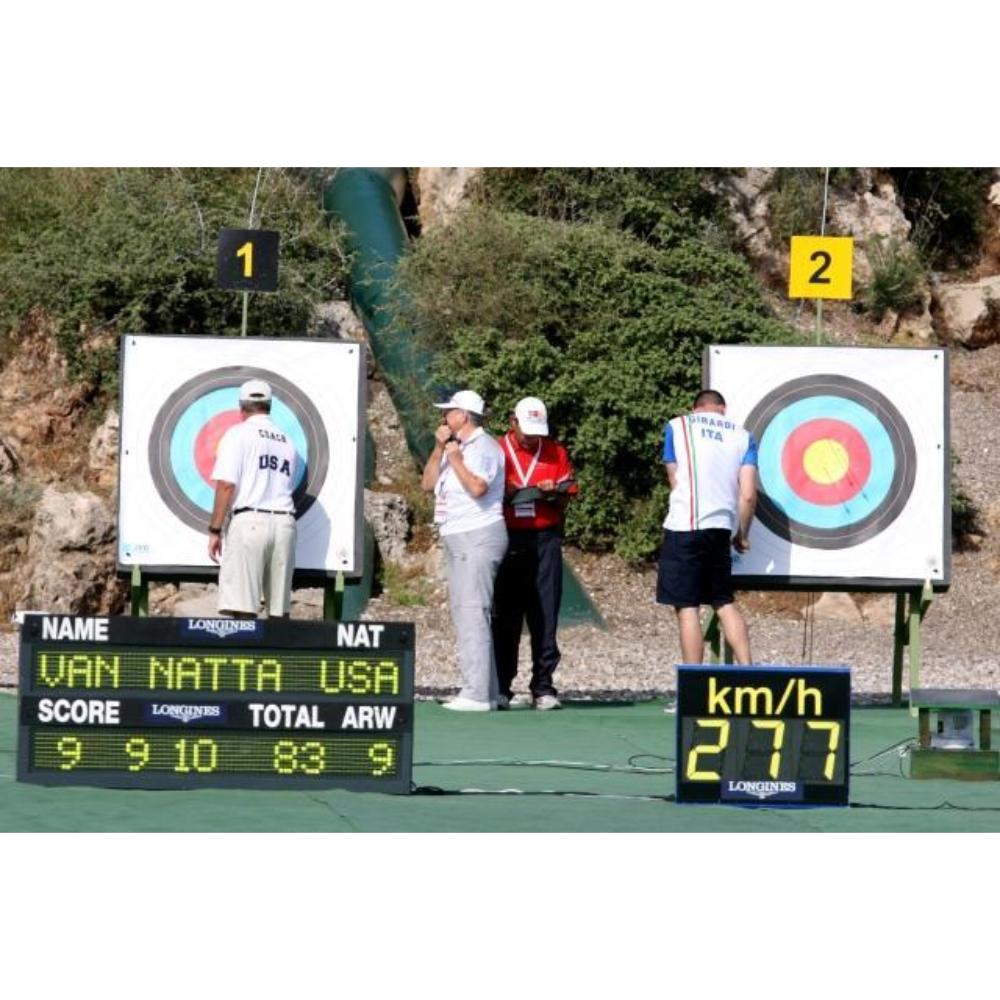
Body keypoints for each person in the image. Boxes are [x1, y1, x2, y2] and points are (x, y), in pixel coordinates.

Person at [656, 388, 757, 665]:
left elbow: (674, 478)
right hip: (720, 528)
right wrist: (742, 534)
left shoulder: (677, 426)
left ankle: (693, 683)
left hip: (684, 525)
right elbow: (748, 494)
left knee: (687, 607)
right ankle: (749, 673)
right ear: (723, 409)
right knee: (723, 601)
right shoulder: (743, 436)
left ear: (696, 408)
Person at [421, 389, 508, 711]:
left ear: (464, 416)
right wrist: (439, 449)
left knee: (472, 611)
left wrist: (455, 459)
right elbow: (427, 484)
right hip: (456, 535)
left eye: (449, 411)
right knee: (465, 611)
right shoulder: (453, 447)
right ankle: (490, 692)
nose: (444, 416)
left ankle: (476, 694)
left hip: (478, 533)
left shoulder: (485, 447)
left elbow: (478, 487)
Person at [492, 396, 578, 710]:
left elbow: (566, 499)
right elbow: (478, 493)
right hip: (506, 536)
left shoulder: (555, 451)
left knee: (545, 611)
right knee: (506, 614)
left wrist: (553, 494)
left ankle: (543, 687)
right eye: (527, 431)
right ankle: (501, 686)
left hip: (544, 538)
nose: (532, 438)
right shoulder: (495, 450)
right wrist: (504, 492)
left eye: (537, 431)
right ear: (512, 422)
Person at [208, 378, 299, 619]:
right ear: (270, 405)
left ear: (242, 407)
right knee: (279, 610)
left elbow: (226, 485)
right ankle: (280, 645)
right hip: (285, 525)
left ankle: (246, 645)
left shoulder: (237, 434)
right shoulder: (288, 441)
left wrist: (215, 530)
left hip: (249, 523)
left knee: (243, 608)